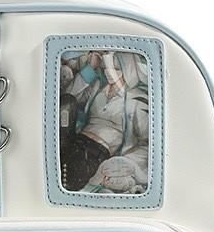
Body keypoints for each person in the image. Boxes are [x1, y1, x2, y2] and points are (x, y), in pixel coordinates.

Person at [59, 50, 149, 192]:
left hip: (96, 152)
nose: (108, 71)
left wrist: (127, 163)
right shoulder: (99, 87)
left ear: (128, 71)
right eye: (106, 66)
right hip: (73, 139)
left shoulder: (136, 100)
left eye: (115, 68)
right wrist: (90, 68)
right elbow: (67, 98)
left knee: (68, 177)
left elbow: (146, 142)